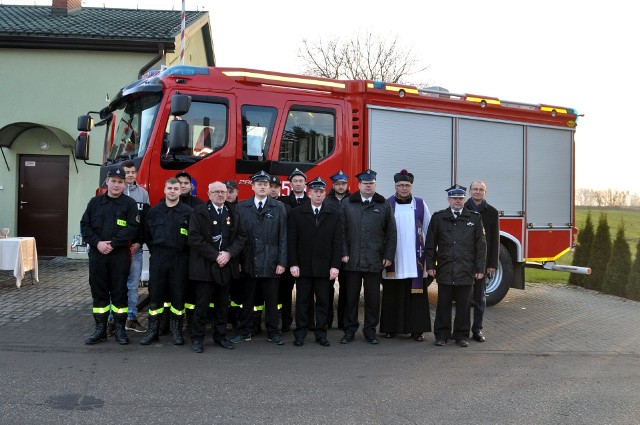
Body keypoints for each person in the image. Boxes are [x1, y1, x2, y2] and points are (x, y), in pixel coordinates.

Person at [80, 167, 139, 345]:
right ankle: (100, 330)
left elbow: (132, 228)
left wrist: (112, 243)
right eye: (113, 181)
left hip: (119, 255)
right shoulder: (94, 202)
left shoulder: (129, 204)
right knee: (99, 294)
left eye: (120, 182)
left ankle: (120, 330)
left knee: (119, 293)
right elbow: (85, 226)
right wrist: (97, 243)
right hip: (98, 255)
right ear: (107, 182)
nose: (116, 185)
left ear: (124, 184)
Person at [188, 181, 247, 353]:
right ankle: (197, 339)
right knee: (202, 305)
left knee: (222, 305)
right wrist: (215, 256)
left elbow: (241, 236)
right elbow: (194, 238)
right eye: (217, 192)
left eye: (224, 191)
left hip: (226, 266)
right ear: (209, 194)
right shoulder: (198, 212)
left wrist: (228, 254)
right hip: (205, 267)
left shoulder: (233, 213)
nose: (221, 194)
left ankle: (220, 336)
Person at [230, 170, 288, 345]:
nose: (263, 187)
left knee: (272, 301)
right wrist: (238, 261)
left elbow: (283, 237)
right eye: (259, 184)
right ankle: (245, 331)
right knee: (247, 300)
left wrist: (281, 262)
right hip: (248, 261)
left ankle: (273, 332)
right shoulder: (242, 207)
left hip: (271, 262)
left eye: (265, 184)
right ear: (253, 187)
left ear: (269, 187)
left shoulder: (278, 207)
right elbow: (237, 237)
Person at [425, 184, 486, 347]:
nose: (457, 201)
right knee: (443, 304)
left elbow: (481, 246)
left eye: (460, 198)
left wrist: (480, 268)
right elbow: (430, 244)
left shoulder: (474, 218)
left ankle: (461, 336)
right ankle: (441, 335)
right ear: (448, 199)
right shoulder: (438, 218)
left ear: (464, 199)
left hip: (466, 269)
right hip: (445, 268)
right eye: (454, 198)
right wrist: (430, 265)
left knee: (464, 306)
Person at [340, 169, 396, 345]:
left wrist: (388, 255)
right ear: (359, 185)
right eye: (365, 183)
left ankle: (370, 331)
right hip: (353, 260)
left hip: (375, 259)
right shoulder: (348, 203)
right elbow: (341, 232)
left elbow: (391, 233)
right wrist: (343, 252)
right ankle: (349, 330)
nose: (368, 186)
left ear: (375, 185)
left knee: (373, 299)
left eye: (371, 183)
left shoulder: (383, 204)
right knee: (351, 298)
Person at [288, 177, 343, 347]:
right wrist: (293, 263)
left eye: (321, 192)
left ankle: (321, 333)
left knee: (323, 302)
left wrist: (335, 266)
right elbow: (292, 241)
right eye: (315, 192)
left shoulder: (333, 214)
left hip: (324, 268)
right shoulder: (297, 213)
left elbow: (337, 242)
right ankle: (300, 333)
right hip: (303, 267)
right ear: (309, 193)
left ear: (325, 194)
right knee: (303, 301)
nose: (318, 195)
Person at [140, 178, 192, 345]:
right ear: (164, 189)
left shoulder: (188, 212)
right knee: (156, 295)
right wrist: (156, 252)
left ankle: (176, 331)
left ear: (180, 191)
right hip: (159, 257)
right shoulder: (154, 212)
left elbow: (192, 237)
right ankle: (152, 330)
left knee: (178, 296)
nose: (172, 191)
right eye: (169, 188)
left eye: (176, 188)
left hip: (180, 258)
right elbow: (147, 235)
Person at [381, 169, 432, 341]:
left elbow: (428, 229)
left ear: (411, 186)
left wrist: (430, 256)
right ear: (395, 186)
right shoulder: (387, 204)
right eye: (400, 185)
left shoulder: (420, 204)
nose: (404, 188)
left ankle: (417, 330)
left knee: (416, 296)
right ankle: (391, 328)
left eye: (407, 185)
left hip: (414, 259)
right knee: (392, 294)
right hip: (394, 258)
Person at [106, 160, 149, 335]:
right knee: (115, 284)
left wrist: (139, 243)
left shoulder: (143, 194)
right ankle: (111, 319)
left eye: (133, 172)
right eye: (127, 172)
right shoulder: (115, 194)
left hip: (135, 249)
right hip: (117, 249)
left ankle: (131, 318)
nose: (130, 175)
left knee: (132, 285)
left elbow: (145, 222)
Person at [465, 180, 500, 343]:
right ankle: (462, 330)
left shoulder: (492, 212)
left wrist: (492, 264)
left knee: (479, 299)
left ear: (485, 192)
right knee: (464, 298)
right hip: (464, 262)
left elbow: (495, 240)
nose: (477, 192)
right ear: (470, 191)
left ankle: (477, 330)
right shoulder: (462, 208)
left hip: (482, 263)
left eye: (481, 190)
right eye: (475, 189)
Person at [279, 168, 309, 332]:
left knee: (305, 292)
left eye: (301, 181)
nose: (298, 183)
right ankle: (285, 322)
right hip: (289, 251)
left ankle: (306, 323)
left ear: (305, 184)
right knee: (285, 291)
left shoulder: (311, 201)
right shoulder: (282, 202)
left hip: (305, 254)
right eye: (295, 181)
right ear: (291, 184)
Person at [175, 170, 204, 333]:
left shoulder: (199, 204)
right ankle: (172, 324)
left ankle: (192, 323)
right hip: (175, 255)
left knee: (193, 292)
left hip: (193, 255)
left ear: (191, 186)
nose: (183, 186)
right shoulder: (165, 202)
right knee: (176, 290)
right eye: (180, 183)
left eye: (186, 183)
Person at [326, 170, 350, 329]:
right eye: (337, 184)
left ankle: (344, 321)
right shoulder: (326, 202)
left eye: (343, 184)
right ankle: (327, 321)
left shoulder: (354, 201)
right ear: (333, 185)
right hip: (329, 252)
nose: (340, 187)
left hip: (348, 253)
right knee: (327, 289)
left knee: (347, 289)